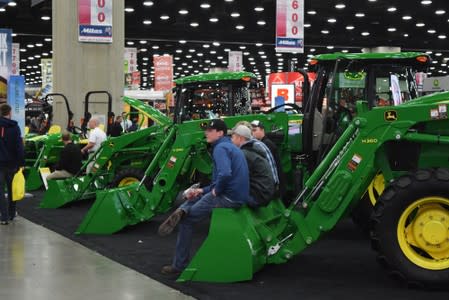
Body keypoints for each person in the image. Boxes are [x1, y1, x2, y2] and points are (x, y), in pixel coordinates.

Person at [158, 119, 249, 275]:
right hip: (236, 195)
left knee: (186, 222)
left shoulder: (220, 148)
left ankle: (179, 265)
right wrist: (203, 191)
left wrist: (216, 191)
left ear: (220, 133)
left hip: (228, 197)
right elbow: (221, 180)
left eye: (210, 130)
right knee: (197, 195)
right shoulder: (229, 146)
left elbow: (225, 175)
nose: (206, 132)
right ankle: (183, 209)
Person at [231, 125, 275, 207]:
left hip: (257, 197)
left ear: (240, 138)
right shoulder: (253, 150)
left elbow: (236, 178)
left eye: (232, 137)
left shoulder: (243, 154)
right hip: (265, 194)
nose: (231, 141)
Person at [0, 104, 25, 225]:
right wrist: (21, 163)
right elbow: (19, 147)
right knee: (12, 189)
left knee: (0, 191)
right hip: (12, 164)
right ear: (9, 113)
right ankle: (11, 213)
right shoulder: (15, 127)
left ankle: (3, 217)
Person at [251, 120, 285, 200]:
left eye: (255, 130)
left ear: (262, 130)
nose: (253, 133)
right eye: (251, 131)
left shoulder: (266, 144)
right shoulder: (266, 143)